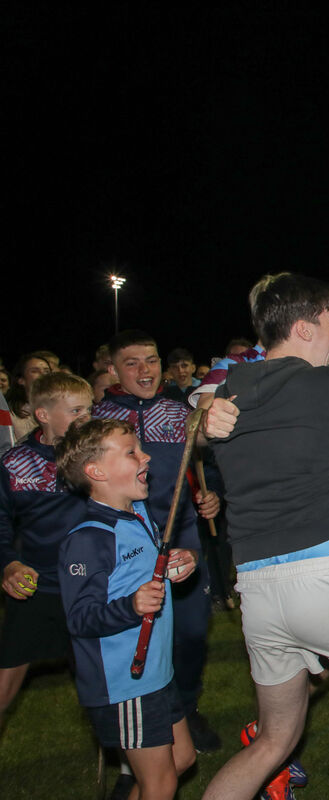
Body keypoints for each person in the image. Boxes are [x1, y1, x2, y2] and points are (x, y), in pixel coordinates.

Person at [201, 273, 329, 800]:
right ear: (302, 327)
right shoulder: (326, 384)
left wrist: (197, 418)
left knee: (274, 739)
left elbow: (199, 421)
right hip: (324, 578)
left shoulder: (228, 390)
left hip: (256, 589)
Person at [93, 330, 222, 753]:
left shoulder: (176, 410)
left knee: (190, 632)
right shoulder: (100, 417)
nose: (145, 370)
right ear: (112, 369)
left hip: (181, 532)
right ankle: (138, 748)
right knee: (137, 632)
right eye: (132, 363)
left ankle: (185, 708)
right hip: (128, 537)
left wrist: (208, 495)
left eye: (151, 360)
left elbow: (205, 450)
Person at [57, 417, 198, 800]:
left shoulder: (138, 515)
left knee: (182, 758)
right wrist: (131, 606)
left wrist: (177, 563)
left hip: (156, 672)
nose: (146, 456)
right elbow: (80, 617)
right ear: (96, 471)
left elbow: (142, 571)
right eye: (132, 452)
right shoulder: (88, 539)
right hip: (124, 683)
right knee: (161, 782)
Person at [0, 373, 92, 730]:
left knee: (105, 685)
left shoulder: (98, 454)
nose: (86, 417)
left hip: (90, 588)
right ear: (42, 414)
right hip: (37, 587)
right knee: (5, 684)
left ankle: (130, 773)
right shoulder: (14, 463)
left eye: (89, 408)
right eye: (75, 410)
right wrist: (8, 564)